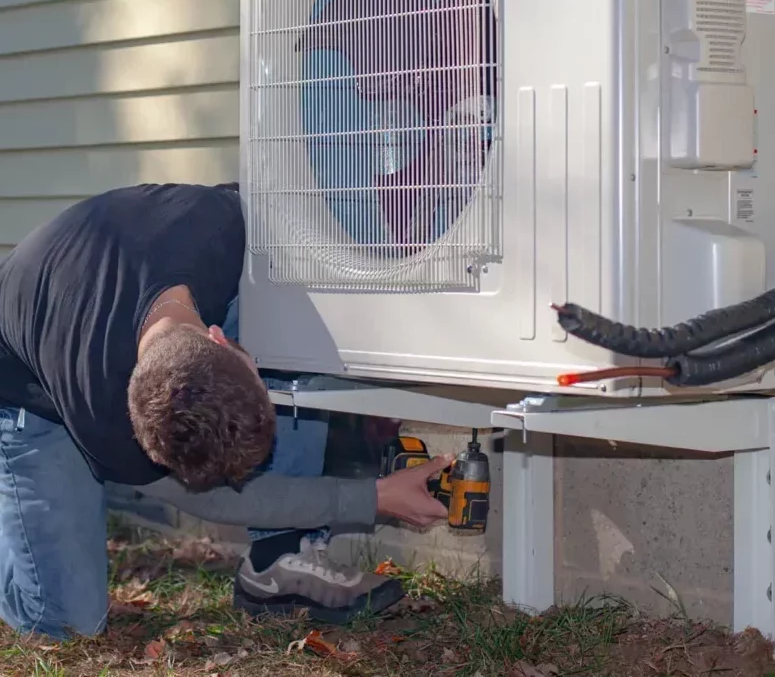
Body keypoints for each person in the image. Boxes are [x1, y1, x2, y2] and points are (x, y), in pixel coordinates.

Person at [0, 182, 450, 641]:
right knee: (66, 623)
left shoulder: (226, 227)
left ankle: (280, 555)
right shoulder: (106, 422)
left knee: (280, 288)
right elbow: (215, 496)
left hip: (106, 286)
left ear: (218, 338)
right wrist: (372, 498)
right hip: (28, 394)